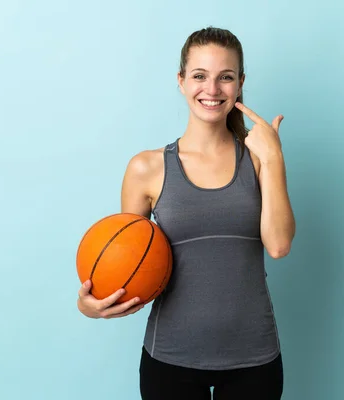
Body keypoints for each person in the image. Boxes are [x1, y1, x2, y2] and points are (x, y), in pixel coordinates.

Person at [77, 26, 295, 400]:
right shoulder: (146, 168)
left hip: (254, 359)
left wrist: (273, 156)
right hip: (170, 360)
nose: (211, 89)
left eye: (225, 77)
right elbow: (125, 265)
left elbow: (278, 245)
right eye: (199, 76)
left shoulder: (260, 159)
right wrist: (89, 305)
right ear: (181, 81)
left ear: (240, 84)